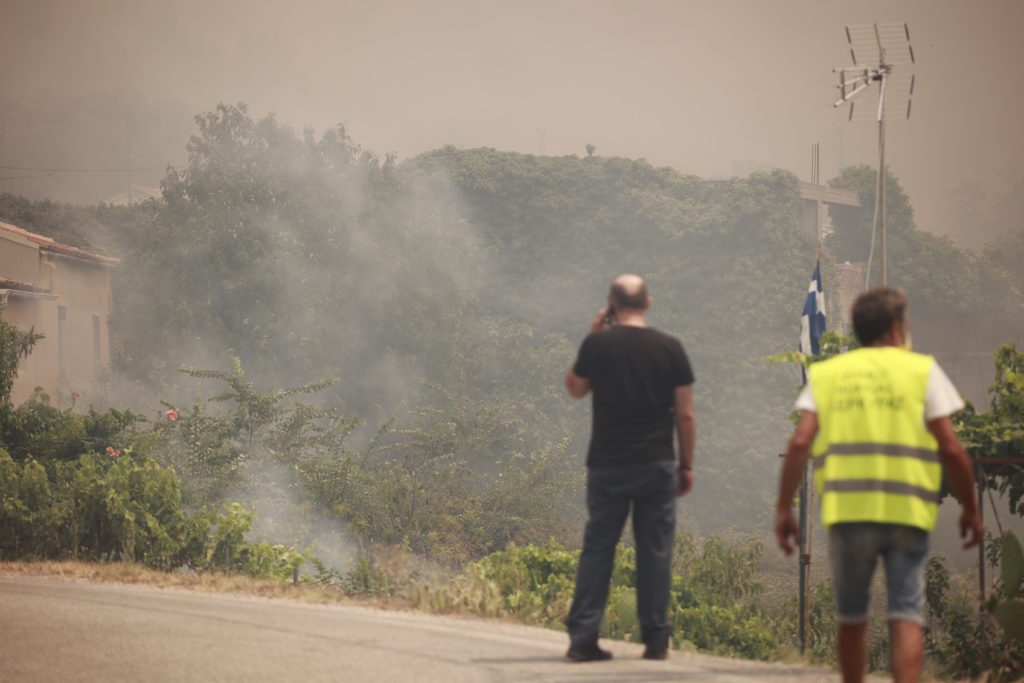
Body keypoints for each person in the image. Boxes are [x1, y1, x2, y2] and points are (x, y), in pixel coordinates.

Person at [775, 287, 982, 683]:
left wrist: (784, 508)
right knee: (905, 612)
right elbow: (952, 449)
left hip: (849, 514)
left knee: (852, 615)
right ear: (895, 326)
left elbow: (801, 442)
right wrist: (971, 510)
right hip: (907, 512)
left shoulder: (829, 374)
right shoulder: (922, 371)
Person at [563, 273, 696, 662]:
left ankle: (583, 637)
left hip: (607, 464)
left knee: (598, 549)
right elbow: (685, 415)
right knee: (654, 551)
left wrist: (592, 335)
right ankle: (656, 640)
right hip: (656, 463)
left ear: (611, 305)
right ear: (648, 303)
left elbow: (575, 388)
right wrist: (686, 465)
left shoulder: (597, 344)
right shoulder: (670, 348)